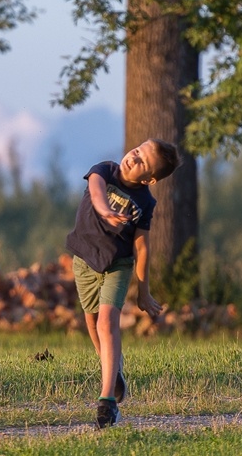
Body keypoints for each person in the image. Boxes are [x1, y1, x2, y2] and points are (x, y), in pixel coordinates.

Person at [65, 138, 180, 428]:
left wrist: (144, 292)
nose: (134, 157)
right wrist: (105, 212)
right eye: (137, 151)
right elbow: (95, 190)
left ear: (149, 178)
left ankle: (107, 401)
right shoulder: (105, 169)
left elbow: (142, 248)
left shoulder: (145, 203)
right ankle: (112, 370)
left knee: (106, 323)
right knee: (91, 324)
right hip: (84, 259)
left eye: (143, 161)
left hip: (118, 265)